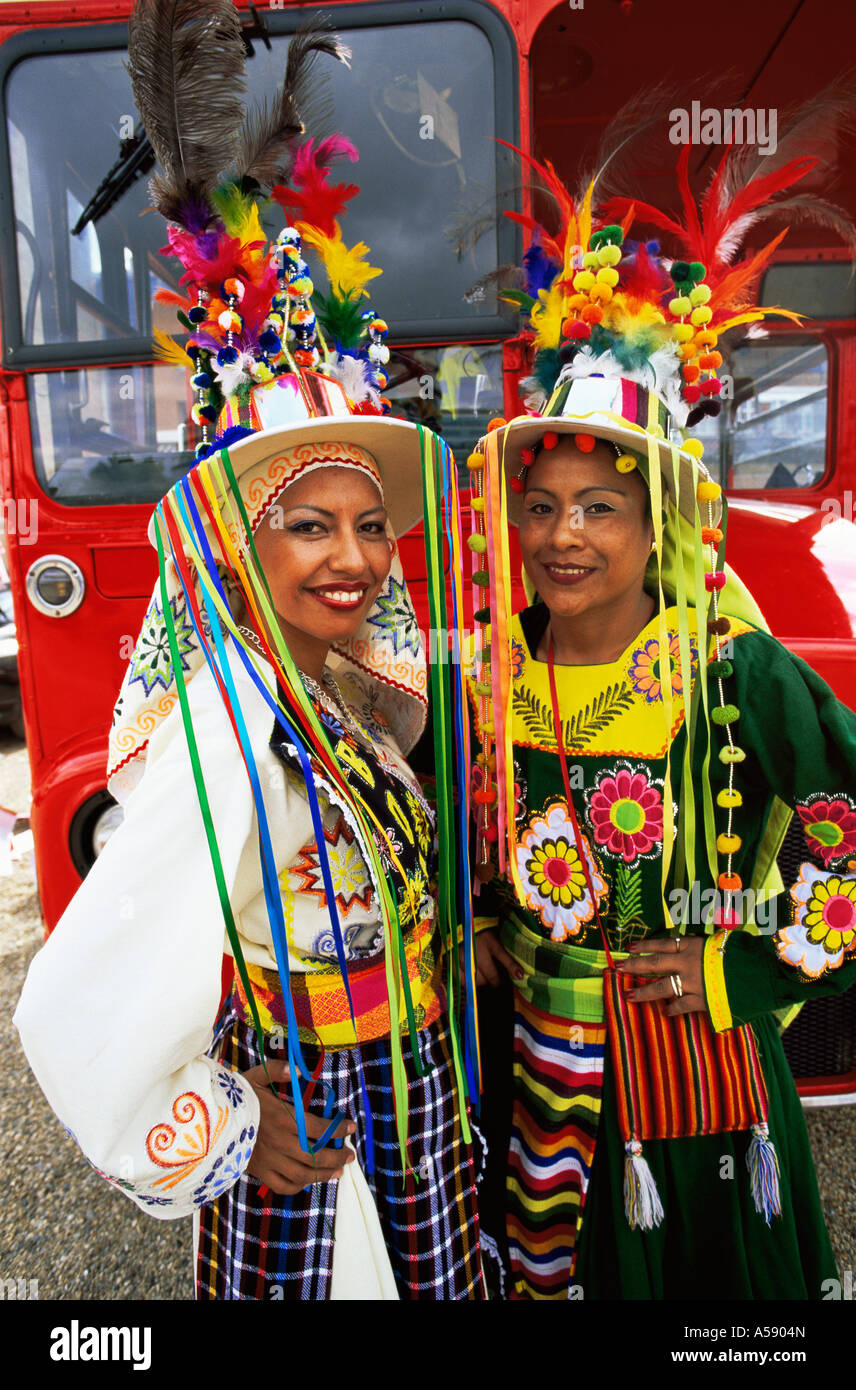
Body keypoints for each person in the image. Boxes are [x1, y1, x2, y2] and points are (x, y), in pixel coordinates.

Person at [14, 4, 483, 1301]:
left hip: (416, 1097)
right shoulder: (225, 728)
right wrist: (224, 1122)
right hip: (321, 1134)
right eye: (307, 525)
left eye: (368, 524)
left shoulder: (358, 685)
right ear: (236, 544)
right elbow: (72, 1010)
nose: (351, 556)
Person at [464, 140, 856, 1299]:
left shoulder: (738, 675)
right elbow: (469, 856)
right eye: (538, 505)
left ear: (658, 527)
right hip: (543, 1098)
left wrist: (747, 965)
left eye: (597, 505)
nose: (561, 535)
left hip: (703, 1102)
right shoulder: (492, 684)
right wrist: (486, 933)